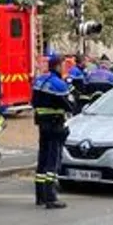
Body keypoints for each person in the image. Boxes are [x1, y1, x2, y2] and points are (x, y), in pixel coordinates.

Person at [31, 52, 75, 209]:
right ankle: (51, 197)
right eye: (63, 65)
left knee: (42, 159)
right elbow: (69, 105)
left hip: (42, 124)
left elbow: (34, 102)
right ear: (58, 66)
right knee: (53, 160)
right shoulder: (59, 84)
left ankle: (40, 196)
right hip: (55, 124)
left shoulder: (39, 80)